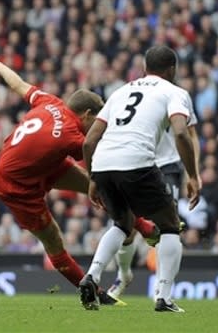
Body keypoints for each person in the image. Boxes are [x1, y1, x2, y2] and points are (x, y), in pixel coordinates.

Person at [0, 55, 157, 298]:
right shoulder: (72, 135)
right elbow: (103, 157)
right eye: (97, 120)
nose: (98, 127)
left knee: (101, 190)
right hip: (15, 186)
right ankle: (93, 292)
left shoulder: (49, 101)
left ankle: (146, 228)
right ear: (87, 114)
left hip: (40, 165)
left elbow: (18, 85)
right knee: (53, 239)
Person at [81, 45, 200, 312]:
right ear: (172, 69)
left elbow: (89, 142)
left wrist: (92, 179)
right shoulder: (175, 92)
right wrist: (193, 175)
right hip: (136, 162)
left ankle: (92, 276)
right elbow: (182, 133)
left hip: (103, 163)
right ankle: (164, 297)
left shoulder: (119, 92)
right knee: (170, 224)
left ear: (145, 67)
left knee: (123, 223)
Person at [104, 79, 201, 304]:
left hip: (168, 166)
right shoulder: (131, 94)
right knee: (126, 225)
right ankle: (123, 275)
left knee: (167, 225)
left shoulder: (177, 95)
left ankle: (162, 290)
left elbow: (190, 135)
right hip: (136, 162)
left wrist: (192, 171)